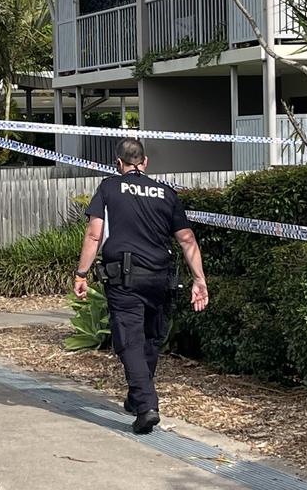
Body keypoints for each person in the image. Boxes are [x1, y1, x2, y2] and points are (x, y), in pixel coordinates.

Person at [73, 138, 209, 434]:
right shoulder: (166, 192)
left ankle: (147, 405)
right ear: (145, 163)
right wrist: (199, 279)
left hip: (125, 278)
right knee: (149, 339)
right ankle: (137, 397)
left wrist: (81, 273)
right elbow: (186, 238)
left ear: (118, 163)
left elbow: (94, 235)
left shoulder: (109, 188)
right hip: (161, 278)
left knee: (130, 340)